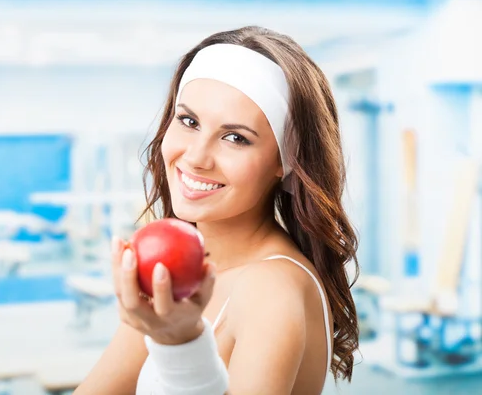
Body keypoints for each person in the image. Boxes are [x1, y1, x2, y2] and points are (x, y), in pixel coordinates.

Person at [74, 25, 359, 395]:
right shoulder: (181, 269)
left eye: (235, 138)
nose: (195, 157)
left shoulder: (270, 287)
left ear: (284, 161)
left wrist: (180, 344)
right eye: (188, 121)